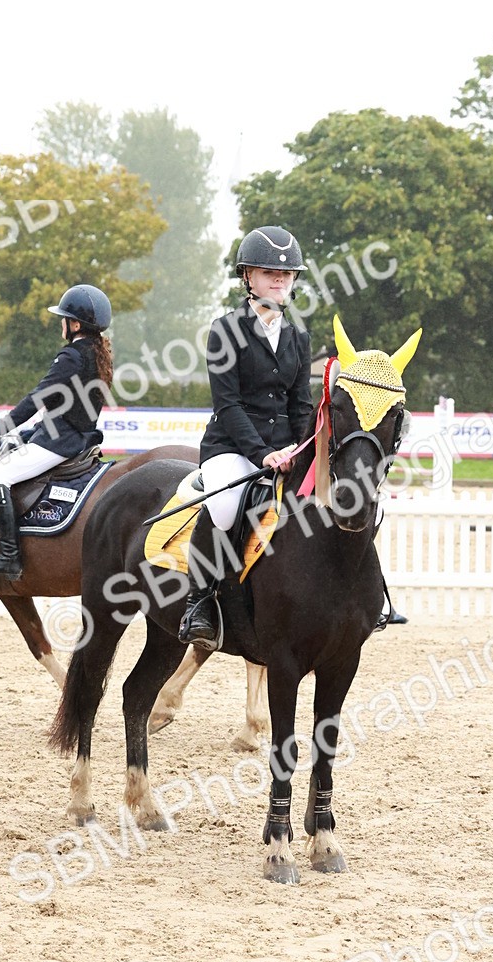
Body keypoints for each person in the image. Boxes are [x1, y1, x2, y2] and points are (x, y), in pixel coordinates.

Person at [178, 225, 313, 649]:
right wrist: (263, 454)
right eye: (270, 272)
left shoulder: (298, 337)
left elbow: (301, 405)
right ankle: (200, 602)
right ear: (248, 277)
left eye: (286, 274)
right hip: (232, 446)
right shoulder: (225, 330)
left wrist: (303, 448)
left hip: (286, 448)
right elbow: (228, 405)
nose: (279, 280)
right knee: (223, 506)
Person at [0, 284, 113, 581]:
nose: (61, 324)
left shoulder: (71, 356)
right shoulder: (97, 355)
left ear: (75, 325)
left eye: (64, 319)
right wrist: (31, 431)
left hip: (59, 442)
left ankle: (9, 557)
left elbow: (37, 398)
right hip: (77, 437)